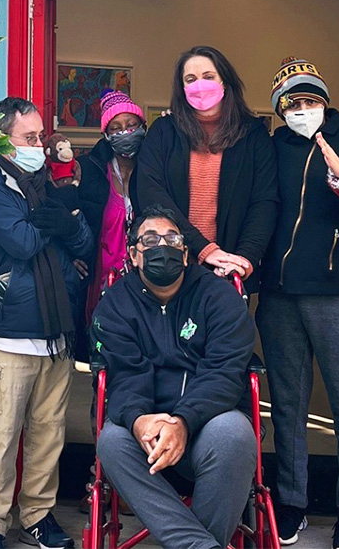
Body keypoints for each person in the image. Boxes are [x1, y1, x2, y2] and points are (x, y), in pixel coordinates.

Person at [257, 58, 339, 549]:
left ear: (324, 102)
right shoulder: (273, 147)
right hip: (281, 295)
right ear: (280, 109)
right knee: (287, 405)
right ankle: (291, 501)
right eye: (293, 103)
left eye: (310, 100)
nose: (303, 110)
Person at [93, 205, 258, 549]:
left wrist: (183, 422)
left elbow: (224, 374)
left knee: (235, 433)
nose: (162, 246)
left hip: (206, 427)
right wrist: (139, 421)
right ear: (134, 256)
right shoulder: (116, 304)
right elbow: (125, 375)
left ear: (185, 255)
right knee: (111, 441)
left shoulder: (220, 298)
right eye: (150, 240)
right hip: (147, 436)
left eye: (172, 239)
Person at [0, 97, 94, 549]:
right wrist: (58, 223)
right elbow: (21, 242)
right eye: (30, 137)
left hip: (56, 335)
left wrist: (64, 223)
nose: (39, 146)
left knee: (48, 434)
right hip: (10, 338)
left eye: (41, 137)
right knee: (1, 437)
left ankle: (38, 516)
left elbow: (84, 243)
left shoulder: (52, 185)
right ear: (3, 140)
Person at [134, 46, 277, 283]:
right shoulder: (164, 131)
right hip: (171, 264)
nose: (199, 85)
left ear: (225, 82)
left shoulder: (253, 134)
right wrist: (204, 250)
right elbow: (151, 193)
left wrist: (242, 260)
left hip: (231, 269)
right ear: (182, 89)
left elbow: (264, 202)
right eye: (190, 79)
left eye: (209, 77)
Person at [77, 88, 146, 324]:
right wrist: (70, 256)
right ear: (106, 134)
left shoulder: (152, 172)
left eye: (131, 124)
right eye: (115, 128)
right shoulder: (90, 171)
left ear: (143, 127)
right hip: (99, 281)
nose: (125, 132)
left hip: (144, 282)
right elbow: (72, 217)